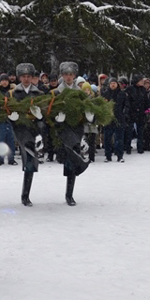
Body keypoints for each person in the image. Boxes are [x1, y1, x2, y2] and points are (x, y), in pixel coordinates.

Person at [53, 61, 90, 205]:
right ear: (62, 75)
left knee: (75, 162)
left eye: (71, 74)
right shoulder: (57, 92)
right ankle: (69, 195)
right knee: (70, 159)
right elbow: (51, 112)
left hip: (77, 127)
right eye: (66, 74)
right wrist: (58, 119)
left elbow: (86, 109)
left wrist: (88, 116)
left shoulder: (80, 92)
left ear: (74, 76)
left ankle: (69, 194)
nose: (68, 77)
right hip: (64, 129)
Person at [8, 63, 44, 205]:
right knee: (29, 154)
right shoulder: (12, 93)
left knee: (31, 162)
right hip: (21, 129)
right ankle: (25, 196)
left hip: (34, 128)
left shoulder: (39, 93)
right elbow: (6, 110)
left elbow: (44, 114)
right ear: (19, 77)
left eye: (29, 76)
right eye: (23, 76)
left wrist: (40, 118)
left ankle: (26, 193)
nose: (26, 79)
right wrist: (12, 119)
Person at [0, 73, 17, 166]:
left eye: (6, 80)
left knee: (11, 139)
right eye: (2, 80)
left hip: (11, 118)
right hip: (1, 119)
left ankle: (11, 158)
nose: (4, 82)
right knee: (1, 139)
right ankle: (0, 159)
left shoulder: (12, 92)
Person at [102, 77, 127, 162]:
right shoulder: (105, 94)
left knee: (119, 139)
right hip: (108, 119)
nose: (113, 85)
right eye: (111, 83)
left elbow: (126, 105)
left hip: (119, 119)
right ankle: (108, 156)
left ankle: (120, 155)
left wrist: (123, 113)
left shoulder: (122, 94)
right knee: (107, 139)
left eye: (114, 83)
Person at [125, 74, 148, 154]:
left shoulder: (143, 90)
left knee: (141, 132)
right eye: (140, 80)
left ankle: (140, 147)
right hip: (131, 113)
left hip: (141, 113)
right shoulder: (129, 89)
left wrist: (146, 110)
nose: (142, 82)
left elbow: (146, 101)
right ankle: (128, 147)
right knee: (129, 132)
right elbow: (127, 102)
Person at [81, 82, 98, 162]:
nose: (86, 91)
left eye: (88, 90)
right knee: (84, 140)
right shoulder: (81, 99)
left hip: (92, 123)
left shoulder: (93, 99)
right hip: (84, 123)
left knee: (92, 141)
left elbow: (97, 110)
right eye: (85, 90)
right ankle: (84, 155)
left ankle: (91, 157)